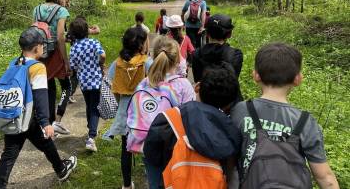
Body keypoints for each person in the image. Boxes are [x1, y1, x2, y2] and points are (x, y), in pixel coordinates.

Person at [229, 43, 339, 189]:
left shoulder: (240, 110)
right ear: (298, 79)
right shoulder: (306, 122)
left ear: (256, 76)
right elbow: (325, 177)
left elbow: (229, 161)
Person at [0, 28, 77, 189]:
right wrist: (46, 122)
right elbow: (40, 96)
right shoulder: (38, 67)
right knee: (41, 143)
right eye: (42, 45)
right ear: (37, 47)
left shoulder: (14, 63)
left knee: (12, 153)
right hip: (28, 116)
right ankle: (60, 169)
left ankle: (60, 168)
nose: (44, 48)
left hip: (14, 114)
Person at [143, 63, 242, 188]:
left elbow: (152, 157)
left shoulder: (168, 119)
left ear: (197, 87)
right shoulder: (231, 133)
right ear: (228, 105)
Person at [133, 37, 195, 189]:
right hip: (175, 148)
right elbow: (191, 119)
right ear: (177, 59)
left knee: (155, 183)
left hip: (148, 144)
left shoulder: (144, 83)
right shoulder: (183, 85)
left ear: (154, 57)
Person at [106, 27, 152, 189]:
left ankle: (126, 185)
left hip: (126, 113)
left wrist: (121, 106)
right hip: (146, 113)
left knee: (126, 149)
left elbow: (114, 87)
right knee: (149, 147)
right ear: (141, 45)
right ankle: (152, 179)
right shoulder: (147, 62)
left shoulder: (117, 63)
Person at [33, 0, 73, 135]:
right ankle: (57, 122)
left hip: (40, 53)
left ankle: (47, 125)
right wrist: (66, 61)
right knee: (67, 86)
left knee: (48, 86)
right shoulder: (61, 11)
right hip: (55, 53)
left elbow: (34, 33)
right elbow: (60, 38)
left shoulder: (37, 9)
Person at [69, 17, 106, 152]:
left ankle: (90, 127)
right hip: (95, 79)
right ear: (87, 31)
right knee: (95, 107)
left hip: (84, 82)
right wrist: (100, 64)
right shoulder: (93, 42)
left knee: (89, 104)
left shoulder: (74, 48)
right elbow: (102, 56)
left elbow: (72, 67)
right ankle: (91, 137)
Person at [192, 14, 243, 101]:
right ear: (229, 34)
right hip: (230, 102)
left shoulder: (197, 53)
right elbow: (233, 79)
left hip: (206, 100)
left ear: (207, 34)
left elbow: (197, 79)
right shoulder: (235, 54)